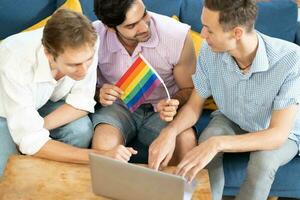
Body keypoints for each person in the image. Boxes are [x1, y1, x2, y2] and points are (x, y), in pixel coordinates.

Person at [148, 0, 300, 199]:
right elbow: (194, 106)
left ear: (236, 33)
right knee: (205, 145)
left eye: (209, 30)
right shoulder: (209, 52)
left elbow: (277, 134)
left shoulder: (291, 60)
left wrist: (217, 143)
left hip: (278, 129)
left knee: (262, 163)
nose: (202, 35)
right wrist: (170, 132)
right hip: (231, 116)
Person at [91, 0, 197, 164]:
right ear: (110, 27)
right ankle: (115, 189)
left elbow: (190, 88)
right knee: (104, 143)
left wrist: (174, 102)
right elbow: (79, 86)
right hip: (119, 107)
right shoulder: (93, 37)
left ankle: (177, 190)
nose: (144, 27)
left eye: (144, 14)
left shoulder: (177, 35)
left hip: (161, 110)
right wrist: (99, 93)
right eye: (132, 25)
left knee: (186, 141)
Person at [0, 9, 102, 176]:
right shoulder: (14, 60)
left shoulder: (87, 44)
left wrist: (37, 129)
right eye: (73, 65)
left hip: (43, 103)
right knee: (7, 171)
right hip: (4, 110)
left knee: (80, 130)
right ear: (48, 54)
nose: (84, 70)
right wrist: (100, 156)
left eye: (88, 60)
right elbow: (29, 142)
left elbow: (82, 101)